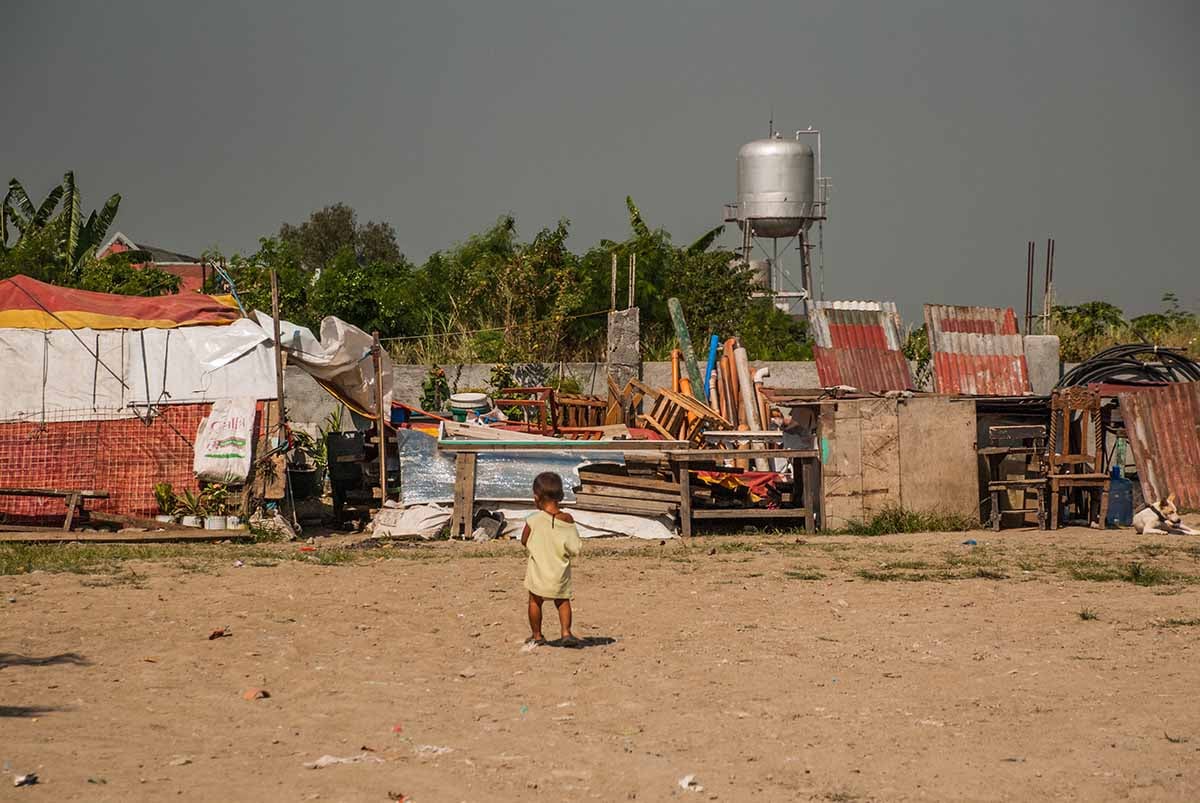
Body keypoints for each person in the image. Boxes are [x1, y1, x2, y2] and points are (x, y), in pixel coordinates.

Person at [522, 471, 583, 647]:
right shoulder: (568, 520)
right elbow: (575, 548)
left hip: (538, 573)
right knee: (563, 601)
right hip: (559, 572)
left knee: (535, 601)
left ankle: (537, 635)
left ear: (536, 497)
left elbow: (524, 541)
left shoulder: (533, 520)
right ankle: (566, 632)